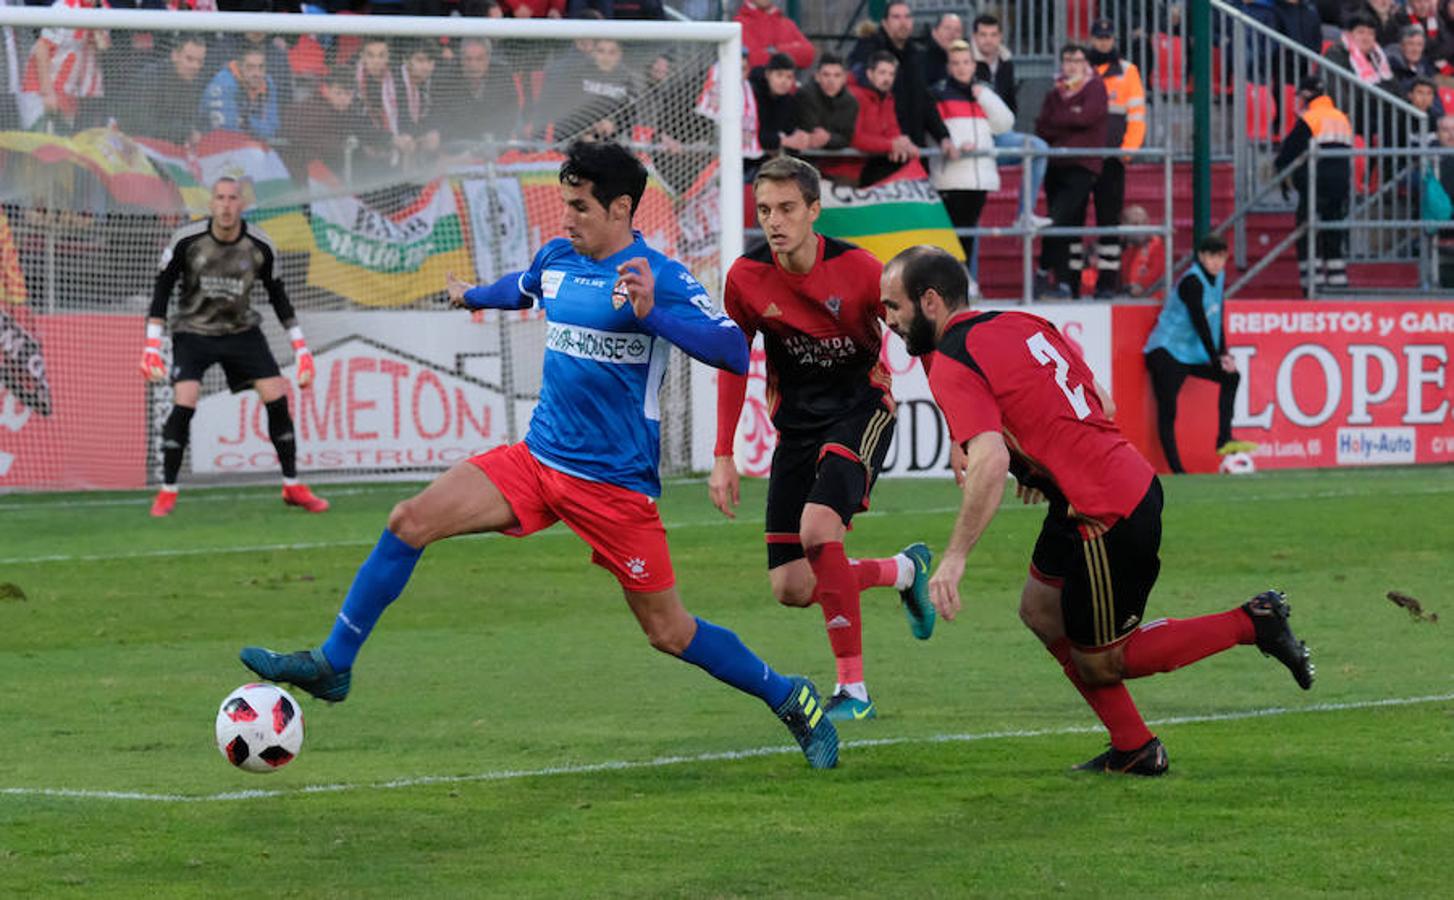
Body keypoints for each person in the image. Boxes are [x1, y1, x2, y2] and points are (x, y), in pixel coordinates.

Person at [239, 142, 840, 770]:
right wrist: (473, 296)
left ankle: (788, 695)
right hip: (537, 460)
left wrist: (653, 313)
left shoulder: (657, 274)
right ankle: (335, 664)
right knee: (408, 521)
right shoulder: (559, 259)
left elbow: (731, 351)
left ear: (621, 209)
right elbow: (524, 288)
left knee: (670, 632)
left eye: (580, 207)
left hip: (614, 488)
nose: (567, 218)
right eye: (565, 204)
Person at [879, 244, 1314, 776]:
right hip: (1090, 493)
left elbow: (989, 461)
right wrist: (1043, 463)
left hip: (1107, 512)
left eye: (893, 308)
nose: (889, 321)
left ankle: (1252, 622)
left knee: (1106, 660)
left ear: (928, 301)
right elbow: (1100, 403)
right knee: (1040, 611)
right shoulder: (1021, 321)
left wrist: (954, 557)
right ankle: (1135, 747)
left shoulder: (950, 357)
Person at [711, 156, 936, 722]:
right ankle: (902, 572)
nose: (774, 221)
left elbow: (922, 339)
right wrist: (722, 453)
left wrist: (962, 431)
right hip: (797, 427)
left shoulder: (861, 271)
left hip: (862, 410)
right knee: (791, 585)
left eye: (787, 208)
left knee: (818, 529)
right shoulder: (745, 278)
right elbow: (733, 364)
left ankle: (853, 690)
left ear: (815, 210)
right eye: (764, 210)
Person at [141, 177, 329, 518]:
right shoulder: (187, 240)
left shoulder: (261, 245)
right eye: (220, 198)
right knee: (184, 401)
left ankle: (292, 485)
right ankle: (167, 491)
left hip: (242, 331)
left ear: (242, 205)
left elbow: (279, 297)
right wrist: (151, 347)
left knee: (277, 396)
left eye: (232, 199)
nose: (226, 205)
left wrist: (301, 350)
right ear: (211, 203)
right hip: (193, 331)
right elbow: (161, 291)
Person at [1143, 235, 1257, 474]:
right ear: (1202, 257)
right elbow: (1200, 322)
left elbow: (1216, 321)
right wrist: (1216, 358)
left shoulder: (1219, 278)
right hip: (1166, 351)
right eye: (1211, 256)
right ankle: (1178, 470)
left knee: (1231, 377)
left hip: (1189, 354)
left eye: (1220, 257)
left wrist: (1223, 354)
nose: (1216, 262)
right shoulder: (1192, 282)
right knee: (1168, 410)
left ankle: (1224, 439)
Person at [929, 40, 1013, 283]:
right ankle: (957, 285)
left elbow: (1005, 124)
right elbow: (933, 130)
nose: (961, 68)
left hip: (979, 178)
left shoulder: (983, 92)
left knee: (968, 237)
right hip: (952, 177)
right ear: (948, 66)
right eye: (956, 63)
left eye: (966, 62)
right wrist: (953, 145)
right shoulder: (939, 92)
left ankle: (963, 284)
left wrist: (984, 96)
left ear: (974, 65)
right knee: (954, 237)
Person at [1035, 44, 1108, 299]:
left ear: (1086, 62)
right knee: (1065, 223)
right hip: (1055, 164)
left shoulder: (1096, 87)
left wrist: (1063, 122)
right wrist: (1070, 120)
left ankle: (1045, 272)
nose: (1072, 65)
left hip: (1082, 165)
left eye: (1077, 60)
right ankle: (1064, 284)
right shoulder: (1055, 92)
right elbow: (1043, 126)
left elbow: (1087, 118)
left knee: (1056, 219)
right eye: (1067, 60)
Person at [971, 13, 1050, 233]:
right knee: (971, 222)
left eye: (993, 34)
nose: (988, 39)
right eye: (983, 34)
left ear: (1001, 36)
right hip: (974, 137)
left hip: (1001, 134)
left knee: (1038, 148)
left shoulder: (1006, 63)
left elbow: (1010, 103)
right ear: (974, 37)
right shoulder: (965, 63)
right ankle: (969, 269)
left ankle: (1025, 215)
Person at [1275, 76, 1352, 292]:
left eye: (1299, 96)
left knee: (1306, 233)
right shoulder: (1341, 117)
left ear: (1307, 95)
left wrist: (1281, 171)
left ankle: (1312, 285)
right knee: (1333, 234)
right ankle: (1338, 285)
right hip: (1341, 185)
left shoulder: (1310, 118)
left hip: (1315, 184)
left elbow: (1287, 152)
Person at [1087, 18, 1146, 298]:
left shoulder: (1127, 71)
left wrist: (1128, 151)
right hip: (1082, 157)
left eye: (1107, 38)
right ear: (1092, 39)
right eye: (1099, 37)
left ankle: (1107, 283)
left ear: (1114, 40)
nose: (1103, 42)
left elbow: (1137, 116)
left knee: (1109, 221)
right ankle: (1070, 282)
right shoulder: (1080, 68)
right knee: (1072, 221)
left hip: (1111, 159)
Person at [849, 1, 951, 152]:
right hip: (878, 150)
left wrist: (943, 136)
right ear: (884, 22)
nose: (903, 22)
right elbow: (864, 95)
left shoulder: (917, 56)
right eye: (896, 17)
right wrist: (890, 142)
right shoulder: (868, 50)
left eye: (907, 17)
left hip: (912, 145)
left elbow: (925, 100)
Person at [848, 51, 928, 187]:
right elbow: (855, 138)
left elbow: (892, 129)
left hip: (870, 165)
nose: (887, 79)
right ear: (869, 73)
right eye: (882, 73)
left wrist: (903, 144)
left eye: (891, 74)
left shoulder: (887, 98)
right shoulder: (855, 97)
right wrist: (891, 145)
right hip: (849, 170)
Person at [120, 34, 207, 145]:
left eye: (200, 62)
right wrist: (185, 132)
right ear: (175, 56)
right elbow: (142, 127)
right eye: (189, 59)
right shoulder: (151, 79)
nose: (195, 66)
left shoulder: (196, 83)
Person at [200, 45, 280, 141]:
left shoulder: (268, 83)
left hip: (251, 147)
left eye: (261, 67)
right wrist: (257, 127)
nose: (257, 74)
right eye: (250, 67)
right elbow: (226, 132)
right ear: (240, 67)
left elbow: (272, 129)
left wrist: (246, 122)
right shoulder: (223, 83)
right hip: (212, 147)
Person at [794, 52, 859, 155]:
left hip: (834, 160)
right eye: (826, 74)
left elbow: (847, 138)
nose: (831, 80)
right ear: (817, 76)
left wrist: (829, 138)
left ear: (844, 78)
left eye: (837, 75)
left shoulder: (851, 102)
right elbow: (810, 134)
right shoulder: (804, 96)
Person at [736, 0, 815, 71]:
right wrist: (789, 51)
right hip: (754, 86)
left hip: (788, 86)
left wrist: (775, 50)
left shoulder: (787, 23)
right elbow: (753, 60)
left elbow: (808, 54)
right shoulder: (739, 24)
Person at [1119, 204, 1166, 298]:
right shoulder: (1122, 249)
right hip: (1127, 297)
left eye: (1144, 223)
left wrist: (1142, 285)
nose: (1141, 228)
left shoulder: (1155, 245)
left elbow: (1156, 271)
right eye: (1135, 224)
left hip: (1152, 297)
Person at [920, 12, 963, 86]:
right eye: (947, 28)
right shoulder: (921, 60)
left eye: (957, 30)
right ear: (934, 32)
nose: (952, 34)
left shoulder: (966, 59)